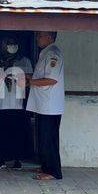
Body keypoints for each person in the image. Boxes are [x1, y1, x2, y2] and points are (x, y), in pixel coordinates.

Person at [23, 31, 64, 180]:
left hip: (50, 106)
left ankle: (53, 172)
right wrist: (28, 76)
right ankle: (46, 167)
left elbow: (51, 80)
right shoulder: (44, 53)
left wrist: (29, 82)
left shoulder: (53, 54)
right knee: (43, 138)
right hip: (42, 105)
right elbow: (41, 75)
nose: (37, 38)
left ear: (49, 37)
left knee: (49, 139)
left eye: (40, 36)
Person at [0, 37, 33, 170]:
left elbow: (30, 79)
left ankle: (17, 160)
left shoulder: (24, 60)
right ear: (4, 45)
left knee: (18, 132)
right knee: (2, 132)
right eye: (9, 44)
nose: (12, 46)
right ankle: (1, 160)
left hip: (18, 102)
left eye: (14, 44)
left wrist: (18, 77)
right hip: (2, 102)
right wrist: (2, 76)